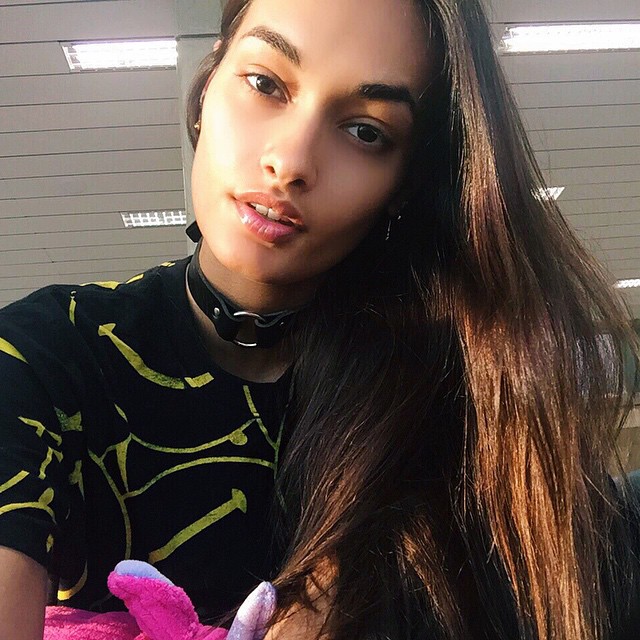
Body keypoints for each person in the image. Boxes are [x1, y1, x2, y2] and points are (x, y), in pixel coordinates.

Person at [1, 0, 639, 638]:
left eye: (366, 131)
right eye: (265, 83)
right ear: (205, 88)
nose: (291, 162)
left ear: (404, 184)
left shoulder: (462, 399)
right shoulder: (47, 354)